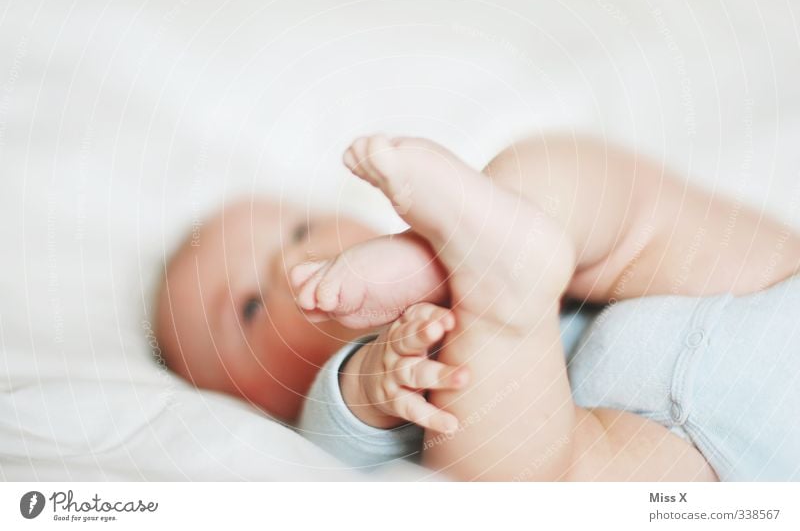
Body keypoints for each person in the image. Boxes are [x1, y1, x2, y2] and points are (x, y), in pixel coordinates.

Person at [155, 133, 800, 480]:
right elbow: (348, 421)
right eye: (246, 308)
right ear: (247, 399)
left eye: (297, 232)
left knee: (565, 179)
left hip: (761, 296)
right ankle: (503, 302)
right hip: (706, 464)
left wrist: (502, 214)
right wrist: (370, 385)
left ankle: (508, 229)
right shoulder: (342, 408)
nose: (287, 266)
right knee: (512, 481)